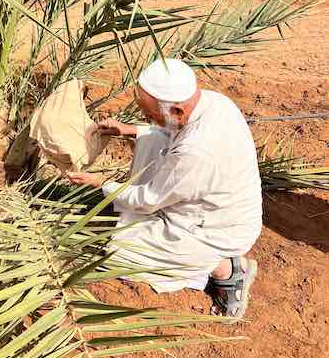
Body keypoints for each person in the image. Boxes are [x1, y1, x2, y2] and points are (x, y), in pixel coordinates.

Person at [67, 58, 262, 319]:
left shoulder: (197, 153)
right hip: (213, 204)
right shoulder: (213, 102)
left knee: (122, 251)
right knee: (150, 143)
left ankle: (226, 269)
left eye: (150, 115)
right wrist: (128, 130)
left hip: (216, 231)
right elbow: (174, 132)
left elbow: (148, 199)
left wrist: (100, 184)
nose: (147, 119)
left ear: (178, 111)